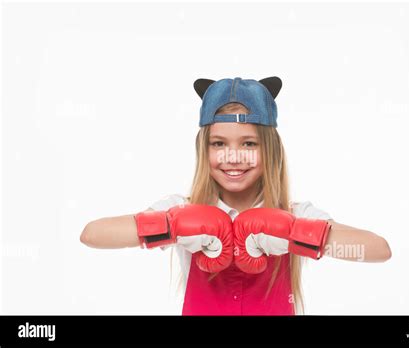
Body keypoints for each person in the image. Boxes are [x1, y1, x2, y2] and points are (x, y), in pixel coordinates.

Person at [80, 76, 392, 315]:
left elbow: (377, 250)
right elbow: (92, 235)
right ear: (204, 149)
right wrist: (171, 225)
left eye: (248, 144)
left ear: (269, 150)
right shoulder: (181, 208)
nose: (233, 157)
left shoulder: (294, 212)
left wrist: (295, 230)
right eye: (219, 144)